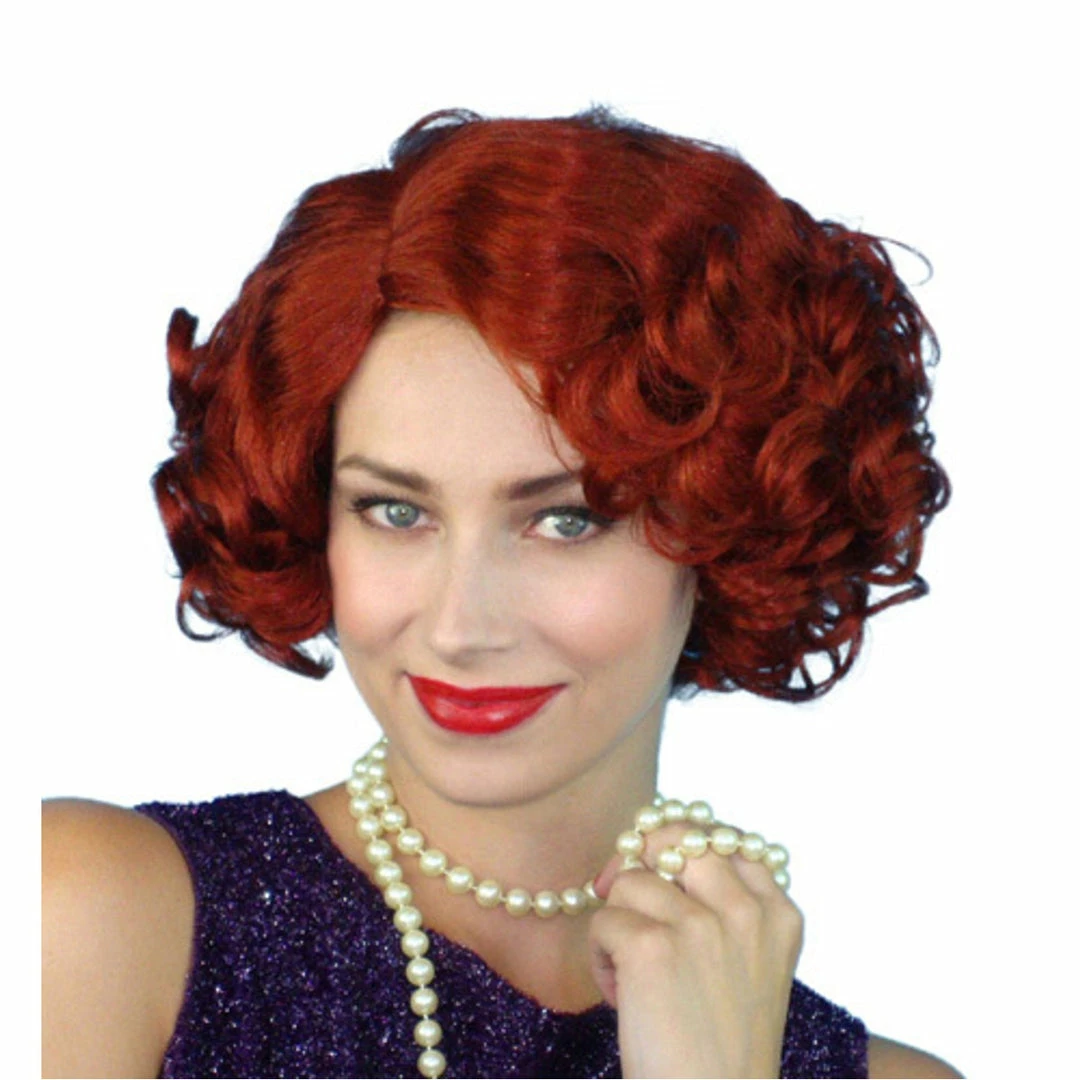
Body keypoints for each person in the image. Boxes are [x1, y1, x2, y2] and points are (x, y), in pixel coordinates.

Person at [42, 108, 962, 1079]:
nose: (460, 625)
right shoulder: (94, 920)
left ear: (729, 529)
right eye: (396, 511)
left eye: (565, 521)